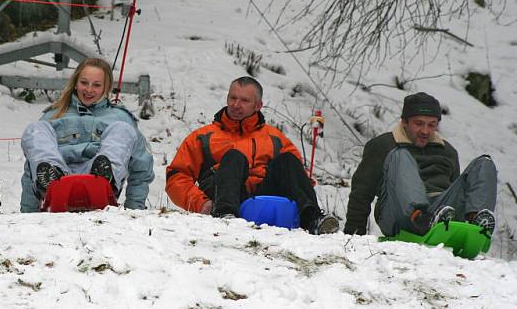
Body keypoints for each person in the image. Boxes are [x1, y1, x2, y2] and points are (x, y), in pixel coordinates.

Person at [165, 76, 338, 234]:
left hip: (264, 196)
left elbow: (299, 178)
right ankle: (225, 216)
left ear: (258, 106)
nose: (236, 105)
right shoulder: (203, 137)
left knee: (288, 160)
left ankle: (312, 220)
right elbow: (176, 177)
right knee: (234, 156)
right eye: (232, 98)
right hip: (222, 196)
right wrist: (201, 203)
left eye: (244, 100)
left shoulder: (275, 138)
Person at [345, 92, 496, 236]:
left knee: (484, 163)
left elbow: (455, 189)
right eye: (419, 124)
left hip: (441, 211)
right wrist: (353, 234)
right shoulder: (384, 145)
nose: (425, 131)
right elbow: (362, 193)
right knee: (400, 155)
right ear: (404, 122)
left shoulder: (448, 151)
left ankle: (476, 223)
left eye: (431, 125)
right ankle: (420, 216)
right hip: (398, 212)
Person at [20, 57, 154, 212]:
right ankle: (52, 180)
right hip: (60, 181)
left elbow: (141, 166)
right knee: (35, 128)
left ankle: (104, 178)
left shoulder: (120, 117)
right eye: (84, 83)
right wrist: (28, 213)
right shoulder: (53, 115)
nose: (89, 90)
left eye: (96, 85)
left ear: (106, 87)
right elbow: (32, 163)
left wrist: (135, 209)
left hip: (97, 183)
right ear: (76, 83)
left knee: (122, 129)